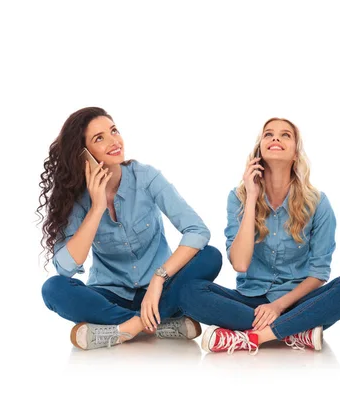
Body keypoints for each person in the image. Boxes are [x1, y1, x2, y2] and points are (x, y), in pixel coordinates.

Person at [38, 107, 222, 350]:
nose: (114, 141)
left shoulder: (146, 177)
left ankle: (121, 329)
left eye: (113, 131)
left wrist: (159, 279)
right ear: (83, 155)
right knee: (53, 289)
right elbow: (65, 268)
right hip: (110, 295)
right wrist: (97, 208)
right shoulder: (78, 199)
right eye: (99, 138)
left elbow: (198, 231)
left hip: (159, 294)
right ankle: (151, 325)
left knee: (210, 256)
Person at [185, 117, 340, 354]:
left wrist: (279, 306)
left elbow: (319, 273)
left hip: (297, 303)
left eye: (285, 135)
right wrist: (251, 197)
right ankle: (297, 332)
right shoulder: (237, 198)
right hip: (250, 302)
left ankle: (254, 338)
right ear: (259, 150)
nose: (275, 138)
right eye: (268, 134)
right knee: (187, 291)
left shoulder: (318, 203)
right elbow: (239, 263)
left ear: (295, 155)